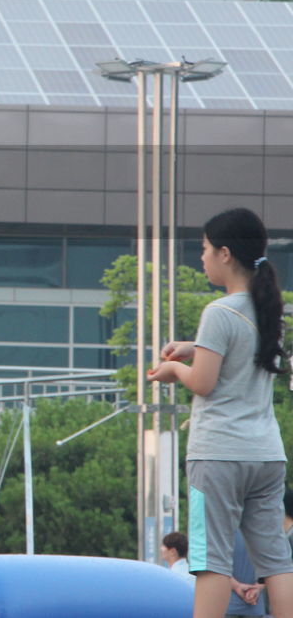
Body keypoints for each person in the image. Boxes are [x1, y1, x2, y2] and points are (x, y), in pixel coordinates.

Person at [149, 208, 293, 618]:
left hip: (217, 456)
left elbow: (203, 383)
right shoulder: (269, 311)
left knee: (210, 558)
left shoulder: (218, 311)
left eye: (205, 249)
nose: (203, 257)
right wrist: (197, 348)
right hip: (266, 455)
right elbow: (241, 354)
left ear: (226, 253)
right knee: (276, 560)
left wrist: (175, 368)